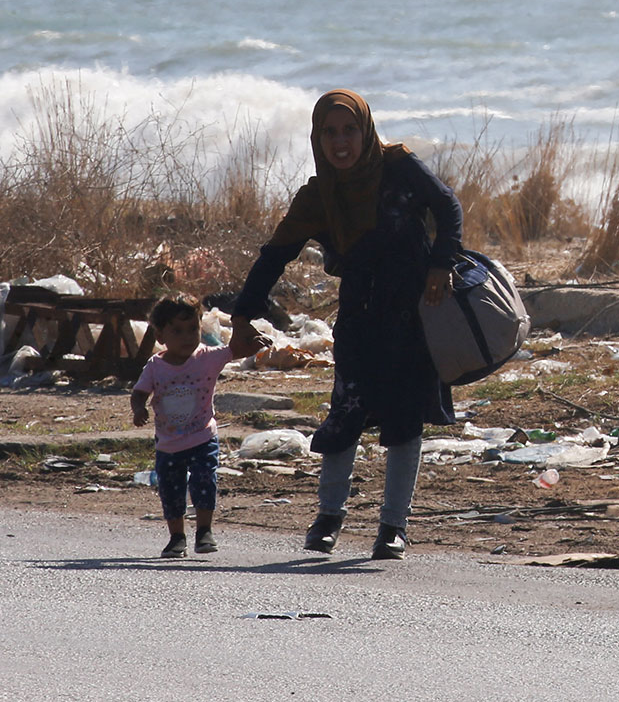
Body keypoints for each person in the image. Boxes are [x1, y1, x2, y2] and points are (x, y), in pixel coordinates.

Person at [232, 89, 462, 561]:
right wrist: (242, 315)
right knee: (345, 415)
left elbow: (448, 207)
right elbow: (274, 257)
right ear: (317, 138)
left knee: (404, 419)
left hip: (414, 316)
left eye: (349, 130)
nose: (341, 142)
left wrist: (442, 263)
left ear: (365, 130)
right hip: (359, 319)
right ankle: (328, 518)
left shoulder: (399, 166)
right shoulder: (318, 198)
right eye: (329, 132)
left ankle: (393, 528)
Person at [130, 295, 258, 558]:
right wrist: (139, 408)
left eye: (193, 329)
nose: (187, 337)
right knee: (171, 490)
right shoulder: (156, 366)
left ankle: (204, 531)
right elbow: (139, 392)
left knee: (204, 481)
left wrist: (252, 339)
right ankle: (177, 537)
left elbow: (236, 350)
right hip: (168, 444)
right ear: (160, 335)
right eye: (177, 331)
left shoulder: (208, 357)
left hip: (203, 437)